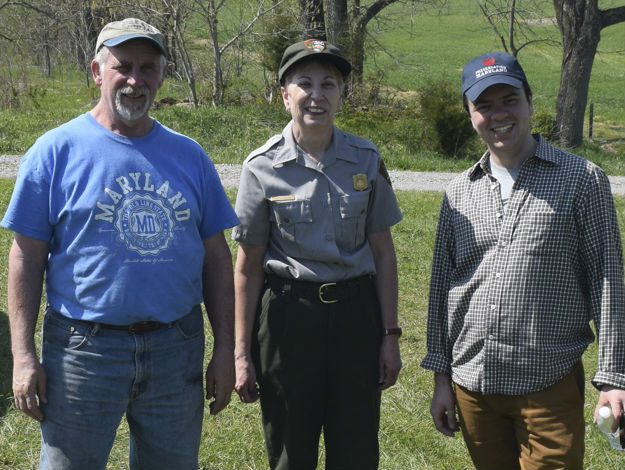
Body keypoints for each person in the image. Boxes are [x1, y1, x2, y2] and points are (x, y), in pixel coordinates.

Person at [2, 18, 239, 470]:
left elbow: (217, 259)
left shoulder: (190, 155)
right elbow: (26, 258)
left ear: (162, 75)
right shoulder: (54, 151)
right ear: (97, 71)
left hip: (176, 347)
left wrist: (225, 350)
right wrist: (23, 355)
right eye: (122, 66)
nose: (135, 80)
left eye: (148, 68)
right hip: (83, 351)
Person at [421, 51, 625, 469]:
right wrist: (442, 379)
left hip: (547, 382)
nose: (498, 115)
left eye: (509, 100)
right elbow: (442, 287)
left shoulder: (581, 180)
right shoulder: (458, 192)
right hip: (473, 384)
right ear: (470, 114)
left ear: (530, 101)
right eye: (484, 105)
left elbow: (609, 281)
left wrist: (613, 377)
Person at [232, 39, 403, 470]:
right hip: (289, 320)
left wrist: (389, 337)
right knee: (291, 447)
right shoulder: (261, 167)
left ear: (342, 95)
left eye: (329, 84)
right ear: (284, 94)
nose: (317, 95)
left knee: (357, 446)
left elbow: (383, 254)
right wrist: (240, 353)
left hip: (355, 319)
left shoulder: (365, 159)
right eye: (304, 83)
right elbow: (247, 267)